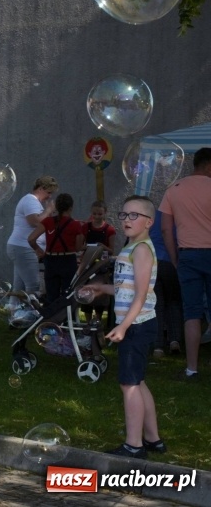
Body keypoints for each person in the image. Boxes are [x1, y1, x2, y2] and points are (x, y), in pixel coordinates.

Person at [81, 195, 163, 459]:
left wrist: (123, 327)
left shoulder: (141, 250)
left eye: (134, 215)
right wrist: (100, 288)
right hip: (138, 324)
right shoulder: (132, 247)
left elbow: (140, 294)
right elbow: (126, 288)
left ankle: (133, 445)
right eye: (124, 215)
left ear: (149, 221)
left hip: (136, 325)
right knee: (137, 382)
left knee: (128, 385)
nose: (127, 220)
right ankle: (153, 439)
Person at [159, 147, 211, 380]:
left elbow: (165, 229)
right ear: (209, 166)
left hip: (187, 255)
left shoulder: (174, 189)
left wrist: (174, 257)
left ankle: (192, 368)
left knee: (192, 312)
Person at [27, 193, 84, 305]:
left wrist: (39, 251)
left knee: (51, 296)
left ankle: (51, 319)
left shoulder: (48, 221)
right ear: (71, 208)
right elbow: (77, 248)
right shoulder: (76, 225)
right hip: (68, 260)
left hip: (51, 260)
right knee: (68, 295)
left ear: (57, 207)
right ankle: (67, 320)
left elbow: (31, 239)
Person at [6, 176, 58, 295]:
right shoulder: (30, 200)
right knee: (33, 285)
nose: (50, 196)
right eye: (49, 192)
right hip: (24, 247)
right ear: (40, 188)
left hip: (21, 247)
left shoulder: (34, 202)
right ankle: (32, 312)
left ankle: (15, 309)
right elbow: (35, 221)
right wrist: (48, 210)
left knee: (19, 286)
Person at [150, 210, 183, 358]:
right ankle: (174, 340)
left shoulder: (154, 215)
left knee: (157, 305)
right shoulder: (180, 215)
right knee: (174, 302)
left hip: (153, 262)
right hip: (171, 262)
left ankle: (158, 346)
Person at [79, 199, 116, 327]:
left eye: (99, 214)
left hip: (101, 266)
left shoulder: (109, 229)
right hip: (87, 264)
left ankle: (98, 321)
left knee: (100, 296)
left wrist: (102, 247)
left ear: (105, 213)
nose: (97, 217)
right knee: (86, 292)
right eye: (94, 214)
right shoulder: (85, 227)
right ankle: (88, 322)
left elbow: (112, 250)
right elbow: (79, 247)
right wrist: (90, 247)